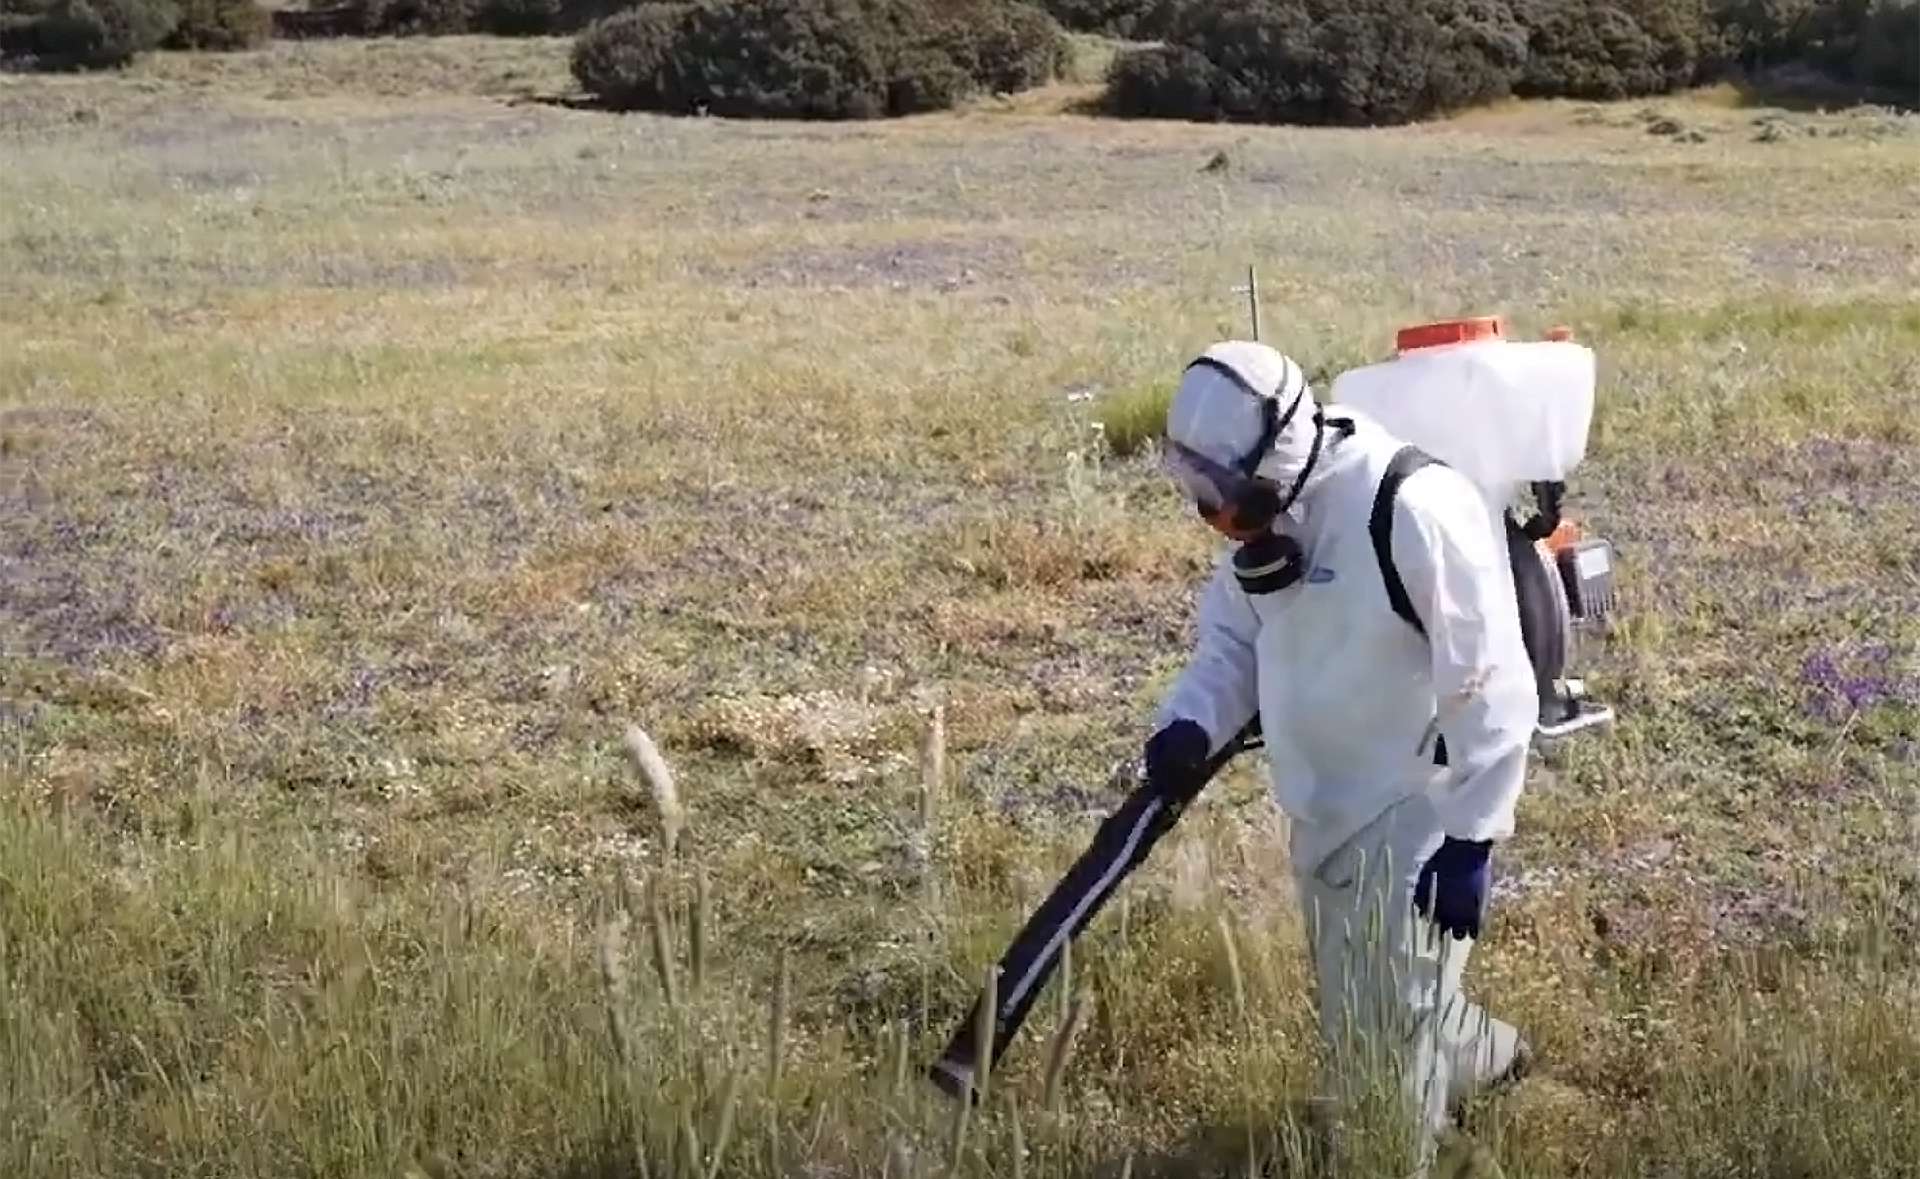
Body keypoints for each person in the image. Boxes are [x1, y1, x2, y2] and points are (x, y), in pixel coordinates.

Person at [1150, 339, 1537, 1173]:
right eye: (1201, 493)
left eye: (1227, 495)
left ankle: (1400, 1149)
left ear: (1276, 458)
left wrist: (1472, 835)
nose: (1218, 518)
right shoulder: (1270, 514)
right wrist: (1189, 721)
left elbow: (1494, 680)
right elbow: (1231, 641)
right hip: (1324, 804)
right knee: (1373, 1001)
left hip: (1413, 812)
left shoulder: (1411, 507)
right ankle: (1490, 1058)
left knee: (1374, 1069)